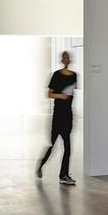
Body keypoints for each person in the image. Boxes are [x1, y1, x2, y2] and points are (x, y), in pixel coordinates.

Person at [37, 50, 77, 185]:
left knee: (67, 148)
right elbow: (49, 94)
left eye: (68, 57)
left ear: (70, 60)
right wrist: (60, 96)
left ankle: (63, 175)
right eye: (64, 57)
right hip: (58, 115)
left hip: (68, 115)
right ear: (61, 60)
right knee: (52, 144)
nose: (66, 59)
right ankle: (41, 164)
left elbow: (72, 94)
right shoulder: (56, 75)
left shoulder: (74, 76)